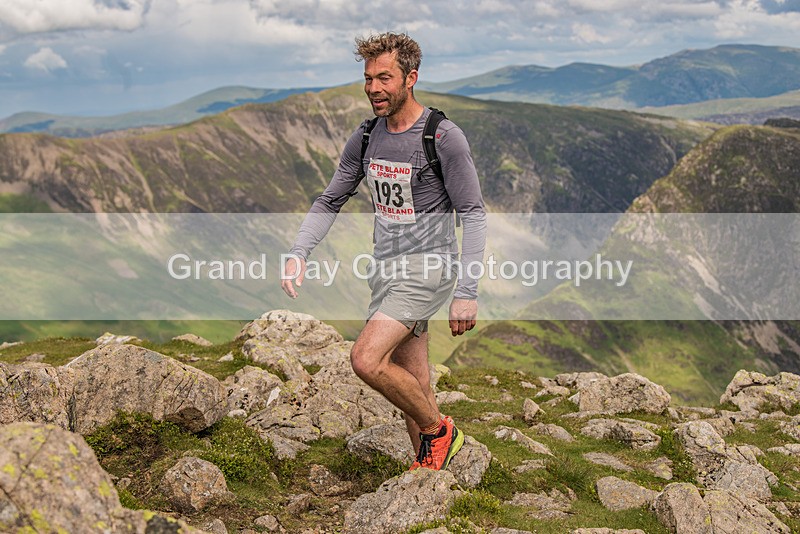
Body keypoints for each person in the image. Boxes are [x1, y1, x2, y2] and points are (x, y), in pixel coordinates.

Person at [281, 32, 487, 471]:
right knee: (414, 380)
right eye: (368, 78)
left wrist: (467, 291)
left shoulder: (442, 137)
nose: (373, 88)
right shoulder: (366, 137)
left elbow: (473, 213)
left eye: (385, 78)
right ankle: (431, 475)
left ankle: (440, 431)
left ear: (411, 78)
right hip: (386, 269)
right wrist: (300, 251)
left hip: (429, 268)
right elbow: (329, 200)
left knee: (367, 358)